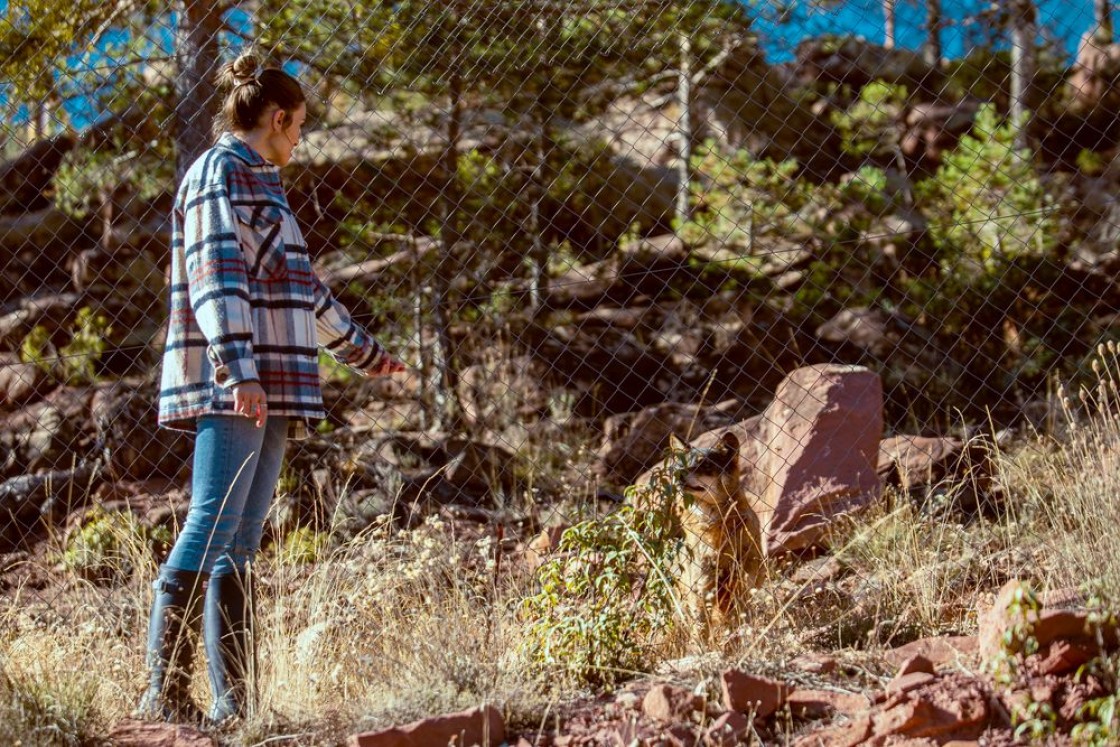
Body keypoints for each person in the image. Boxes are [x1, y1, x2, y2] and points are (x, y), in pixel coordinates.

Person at [137, 51, 407, 725]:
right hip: (241, 383)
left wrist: (364, 354)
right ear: (277, 118)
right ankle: (162, 696)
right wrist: (238, 368)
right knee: (210, 522)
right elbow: (213, 275)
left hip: (277, 383)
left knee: (240, 542)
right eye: (299, 127)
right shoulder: (216, 175)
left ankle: (236, 708)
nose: (299, 141)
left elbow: (300, 290)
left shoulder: (264, 183)